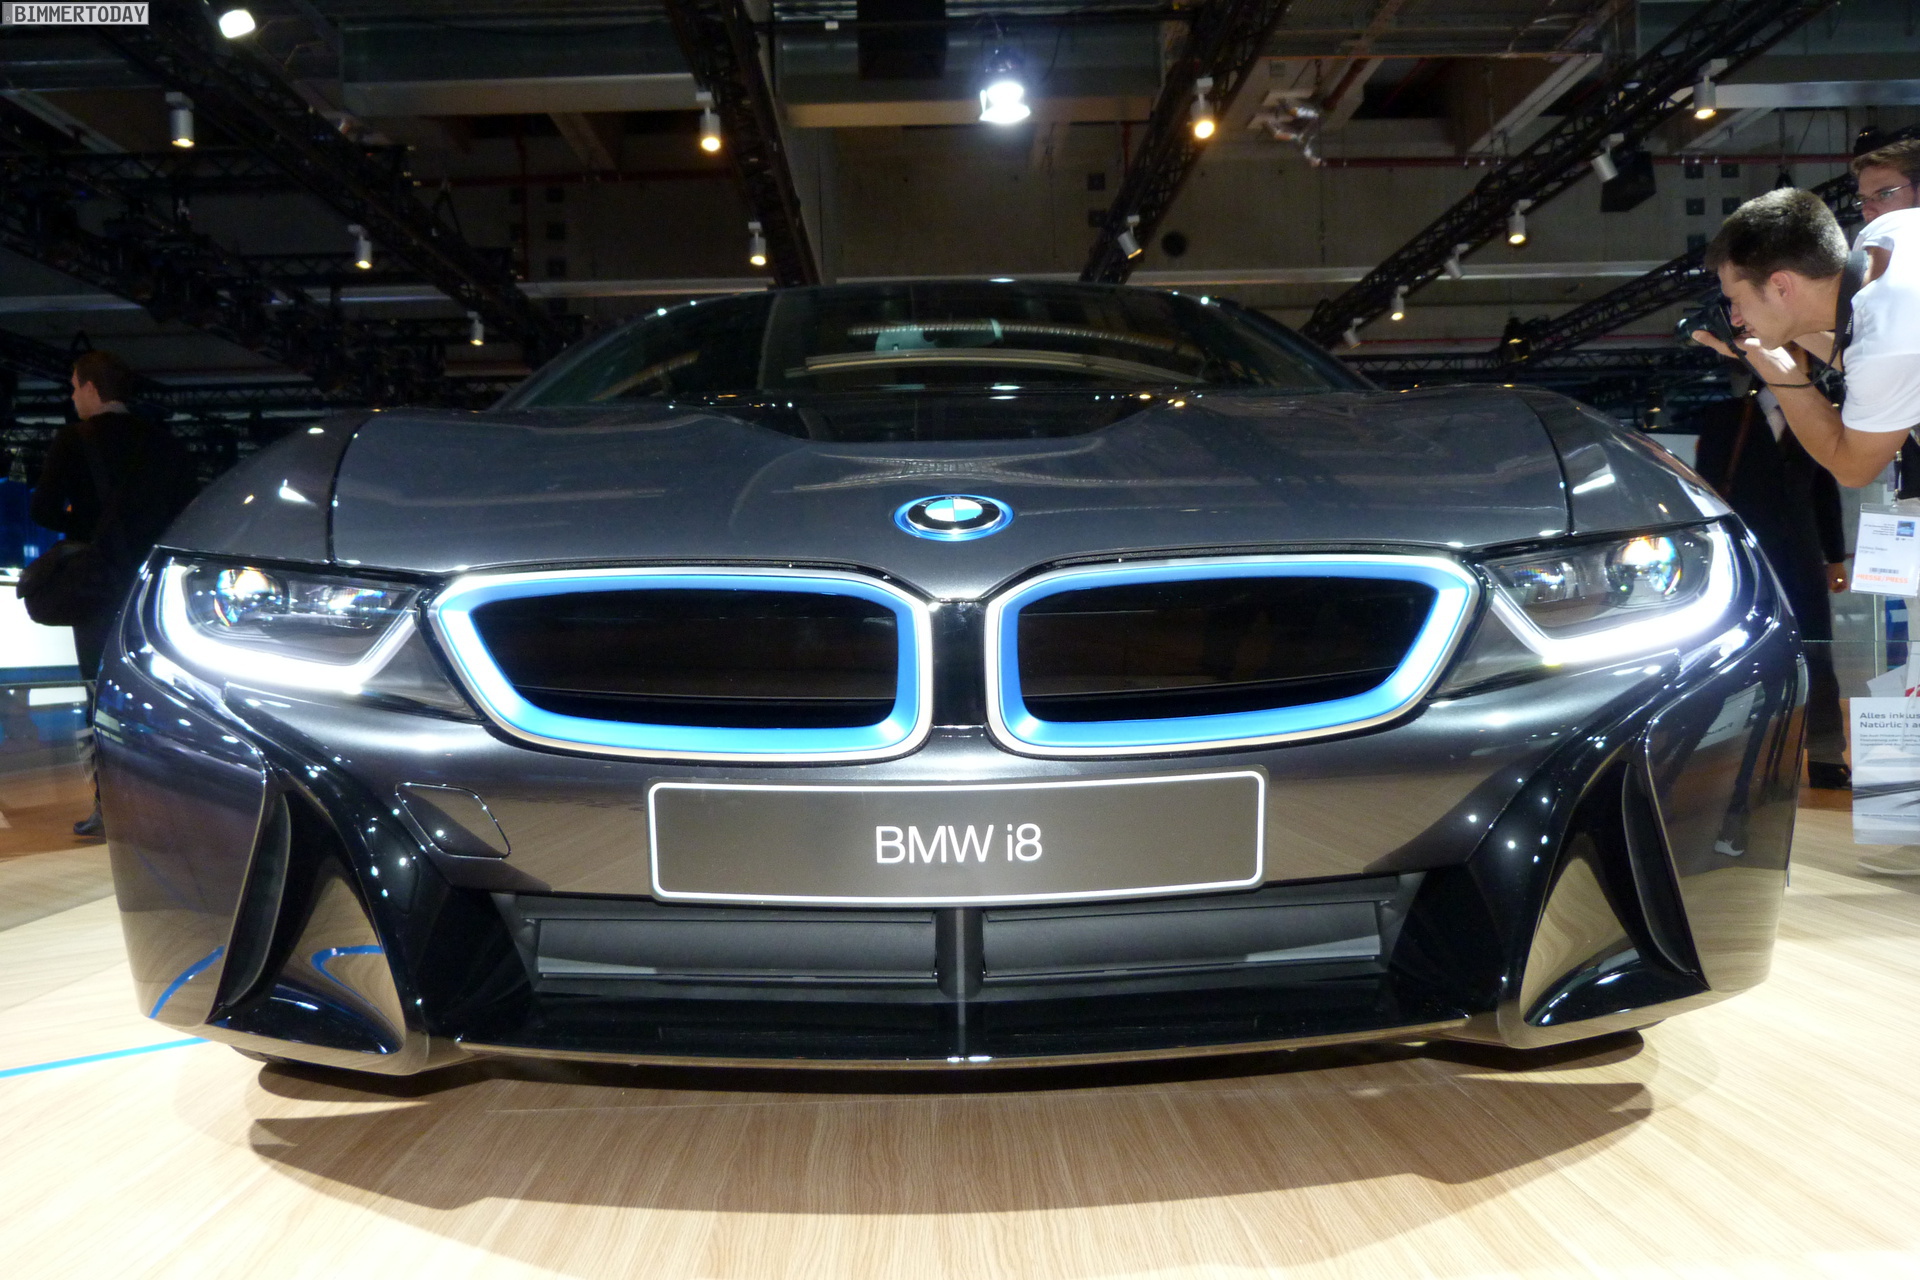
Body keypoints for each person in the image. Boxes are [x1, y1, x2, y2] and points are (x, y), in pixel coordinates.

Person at [1689, 177, 1920, 876]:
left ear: (1782, 284)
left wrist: (1776, 369)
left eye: (1737, 298)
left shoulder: (1891, 332)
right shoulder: (1888, 241)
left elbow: (1850, 463)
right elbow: (1867, 361)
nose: (1734, 314)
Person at [29, 351, 195, 838]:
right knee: (160, 690)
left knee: (99, 691)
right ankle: (172, 802)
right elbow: (186, 513)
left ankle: (110, 805)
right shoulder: (164, 444)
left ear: (91, 388)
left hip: (98, 583)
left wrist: (85, 524)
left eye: (73, 386)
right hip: (153, 586)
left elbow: (42, 510)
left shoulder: (74, 440)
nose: (72, 396)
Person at [1695, 382, 1851, 790]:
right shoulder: (1728, 417)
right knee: (1745, 657)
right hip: (1746, 556)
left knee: (1817, 654)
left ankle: (1825, 755)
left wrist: (1834, 555)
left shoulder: (1812, 415)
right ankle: (1744, 762)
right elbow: (1707, 485)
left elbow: (1823, 489)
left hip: (1803, 557)